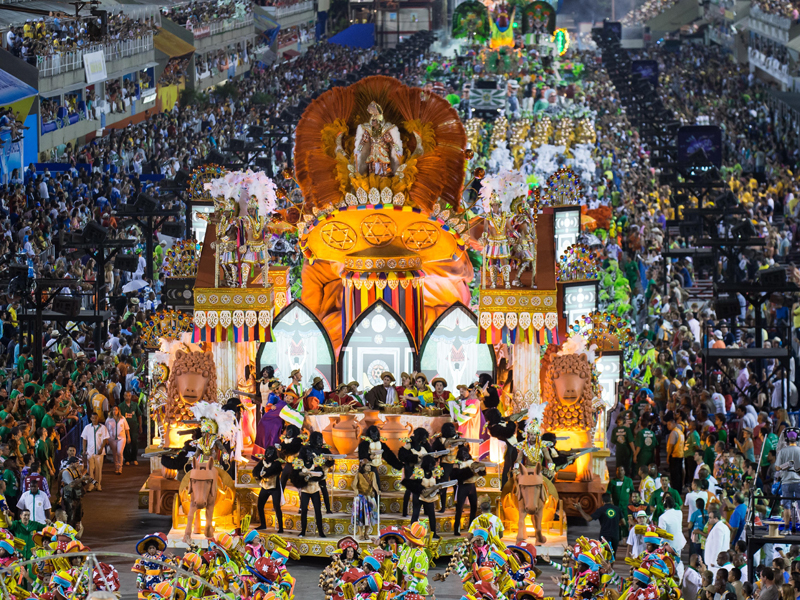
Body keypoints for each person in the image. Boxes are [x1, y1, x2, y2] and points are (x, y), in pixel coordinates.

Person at [252, 446, 283, 533]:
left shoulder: (277, 463)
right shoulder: (262, 462)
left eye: (271, 452)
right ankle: (263, 524)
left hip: (274, 488)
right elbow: (255, 471)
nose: (269, 454)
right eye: (268, 452)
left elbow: (275, 470)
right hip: (265, 487)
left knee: (277, 507)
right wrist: (259, 474)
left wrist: (265, 473)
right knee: (260, 505)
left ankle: (281, 527)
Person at [776, 429, 800, 534]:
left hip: (786, 482)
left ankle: (786, 529)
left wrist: (784, 467)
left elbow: (777, 467)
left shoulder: (783, 451)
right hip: (798, 481)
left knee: (787, 506)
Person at [351, 460, 379, 541]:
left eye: (369, 466)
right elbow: (354, 484)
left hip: (369, 497)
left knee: (369, 517)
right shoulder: (358, 475)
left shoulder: (372, 474)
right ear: (363, 467)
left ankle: (366, 533)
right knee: (361, 517)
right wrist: (355, 489)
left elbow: (374, 484)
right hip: (361, 498)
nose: (369, 467)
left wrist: (377, 490)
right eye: (367, 466)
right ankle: (360, 534)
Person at [80, 412, 109, 491]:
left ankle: (98, 484)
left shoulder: (103, 428)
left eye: (96, 418)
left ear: (98, 418)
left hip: (100, 452)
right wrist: (84, 449)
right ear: (90, 418)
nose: (94, 419)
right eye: (93, 418)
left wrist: (101, 448)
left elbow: (105, 439)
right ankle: (91, 484)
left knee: (99, 469)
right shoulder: (87, 428)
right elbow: (84, 439)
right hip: (90, 452)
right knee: (90, 469)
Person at [704, 508, 731, 575]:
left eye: (710, 517)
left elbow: (717, 545)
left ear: (716, 518)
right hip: (720, 561)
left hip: (715, 564)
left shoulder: (718, 528)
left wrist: (714, 561)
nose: (709, 519)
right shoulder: (724, 527)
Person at [105, 405, 129, 475]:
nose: (115, 411)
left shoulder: (122, 419)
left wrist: (128, 437)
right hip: (112, 438)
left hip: (121, 438)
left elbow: (127, 428)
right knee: (114, 453)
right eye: (113, 410)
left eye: (116, 410)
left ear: (118, 411)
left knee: (119, 452)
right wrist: (106, 439)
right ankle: (116, 467)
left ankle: (120, 467)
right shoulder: (109, 419)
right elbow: (105, 430)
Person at [119, 390, 141, 466]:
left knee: (135, 442)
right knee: (126, 443)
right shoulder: (121, 406)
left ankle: (134, 458)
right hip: (124, 428)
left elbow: (139, 415)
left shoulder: (135, 405)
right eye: (126, 395)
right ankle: (127, 459)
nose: (128, 397)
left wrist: (140, 426)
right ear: (123, 396)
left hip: (134, 426)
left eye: (129, 395)